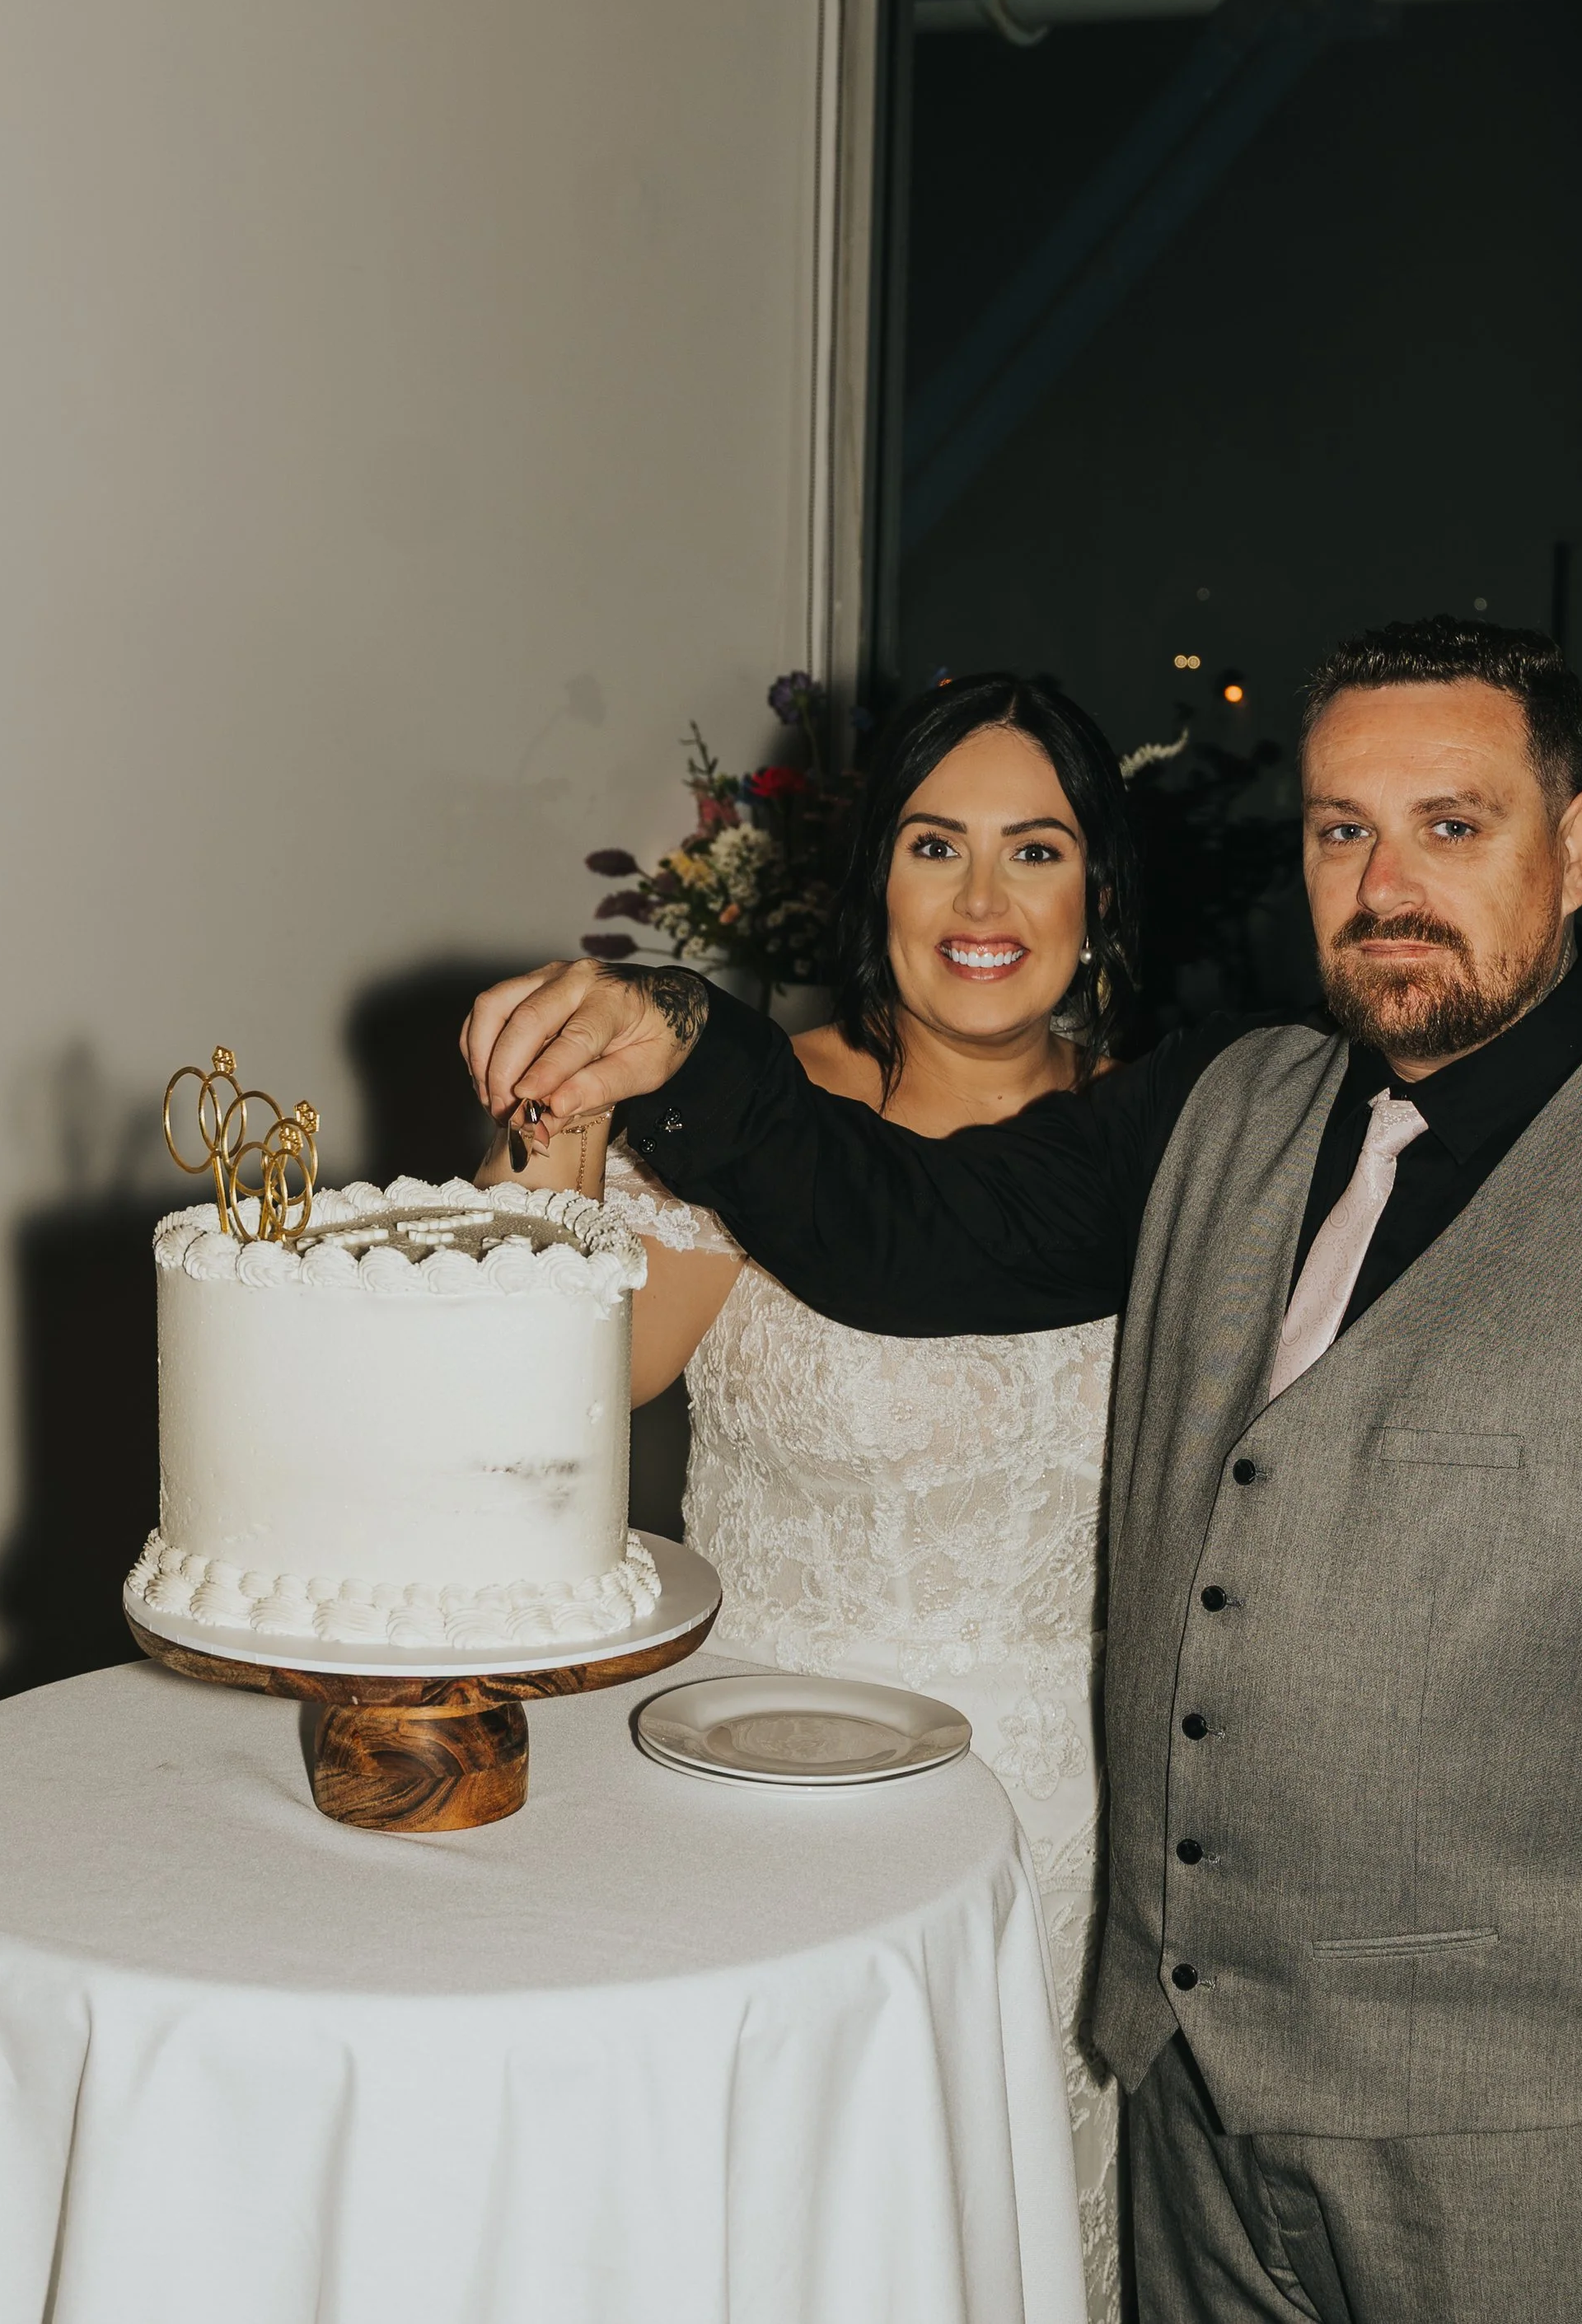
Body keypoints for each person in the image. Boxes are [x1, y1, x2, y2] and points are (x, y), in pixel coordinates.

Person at [464, 616, 1582, 2324]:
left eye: (1449, 826)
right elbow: (908, 1232)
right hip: (1192, 2157)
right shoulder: (1221, 1105)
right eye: (1337, 831)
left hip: (1536, 2182)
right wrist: (683, 1044)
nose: (1384, 884)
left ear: (1573, 845)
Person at [478, 673, 1140, 2324]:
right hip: (738, 1788)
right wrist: (550, 1145)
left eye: (1034, 851)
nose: (982, 902)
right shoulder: (752, 1113)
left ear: (1097, 895)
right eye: (935, 847)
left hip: (1044, 1830)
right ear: (876, 888)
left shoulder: (1165, 1139)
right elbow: (551, 1391)